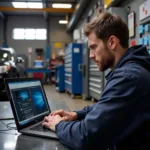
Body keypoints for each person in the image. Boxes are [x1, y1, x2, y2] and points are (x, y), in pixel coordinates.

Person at [42, 12, 150, 150]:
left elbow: (86, 136)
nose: (91, 55)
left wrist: (58, 125)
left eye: (93, 47)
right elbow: (109, 106)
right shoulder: (132, 70)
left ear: (112, 42)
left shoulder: (128, 77)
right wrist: (76, 114)